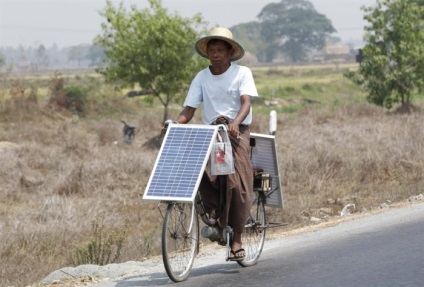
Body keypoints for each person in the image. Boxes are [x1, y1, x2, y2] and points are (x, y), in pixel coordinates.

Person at [175, 27, 258, 261]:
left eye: (220, 50)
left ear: (230, 52)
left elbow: (246, 103)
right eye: (212, 50)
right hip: (212, 132)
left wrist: (236, 123)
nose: (215, 54)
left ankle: (237, 239)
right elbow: (189, 109)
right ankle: (214, 214)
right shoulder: (201, 77)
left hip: (235, 131)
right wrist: (175, 123)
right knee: (200, 171)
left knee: (237, 181)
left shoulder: (242, 73)